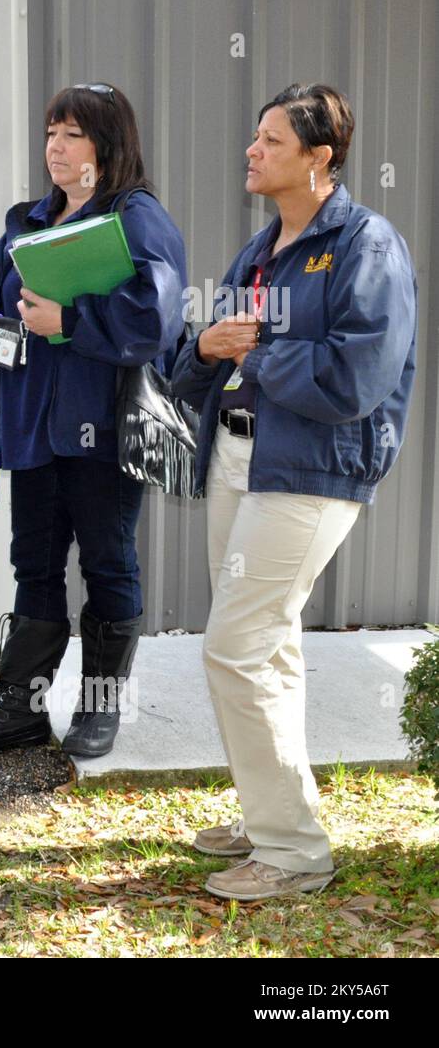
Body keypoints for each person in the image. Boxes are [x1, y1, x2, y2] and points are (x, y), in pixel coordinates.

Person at [171, 84, 417, 901]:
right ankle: (269, 811)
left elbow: (356, 377)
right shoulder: (259, 252)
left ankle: (293, 853)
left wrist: (259, 353)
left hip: (311, 469)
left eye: (271, 141)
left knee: (233, 648)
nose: (251, 149)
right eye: (254, 136)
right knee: (268, 646)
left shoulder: (366, 246)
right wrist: (207, 345)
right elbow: (199, 364)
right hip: (239, 460)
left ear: (320, 158)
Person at [0, 83, 188, 761]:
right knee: (34, 567)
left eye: (73, 133)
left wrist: (69, 322)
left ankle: (99, 710)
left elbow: (156, 322)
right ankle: (21, 711)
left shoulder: (138, 219)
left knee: (109, 566)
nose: (56, 145)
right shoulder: (27, 226)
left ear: (107, 146)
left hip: (103, 431)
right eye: (51, 130)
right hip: (28, 427)